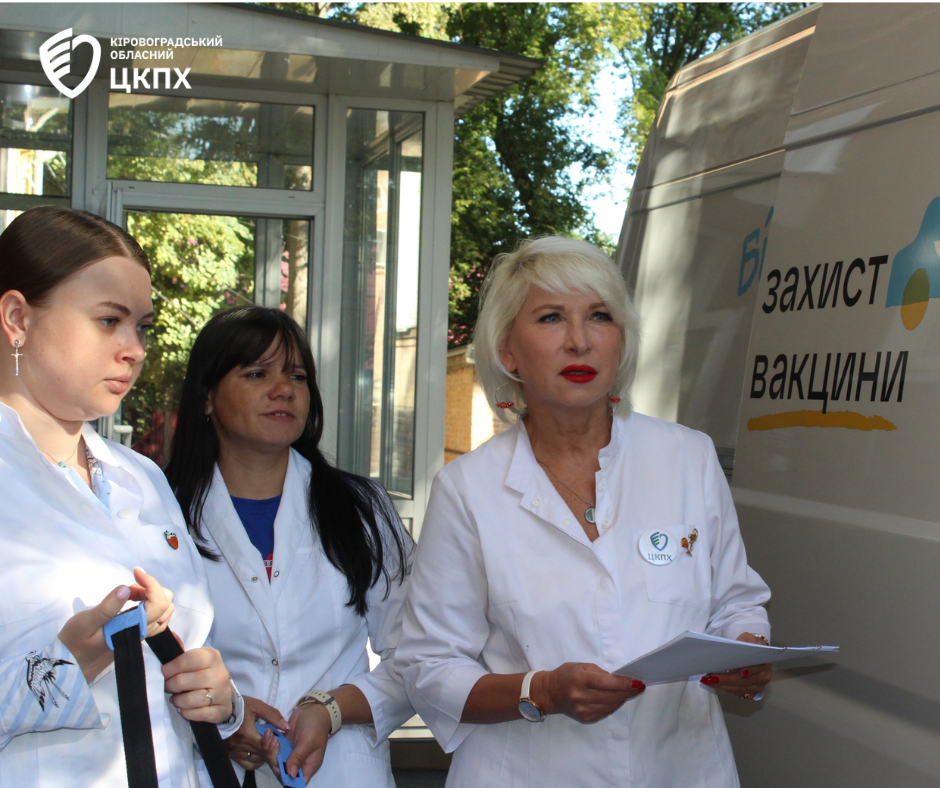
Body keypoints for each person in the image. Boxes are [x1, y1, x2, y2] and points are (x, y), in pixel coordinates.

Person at [395, 236, 772, 788]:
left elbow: (736, 603)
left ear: (622, 340)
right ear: (508, 351)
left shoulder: (687, 457)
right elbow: (428, 667)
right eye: (551, 318)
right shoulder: (468, 489)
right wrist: (541, 691)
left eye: (600, 316)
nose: (579, 341)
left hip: (682, 769)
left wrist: (746, 651)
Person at [0, 207, 242, 787]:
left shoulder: (142, 478)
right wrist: (69, 665)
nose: (134, 349)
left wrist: (219, 696)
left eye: (142, 326)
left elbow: (192, 652)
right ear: (17, 318)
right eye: (109, 321)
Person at [165, 305, 414, 787]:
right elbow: (140, 662)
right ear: (207, 396)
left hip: (340, 770)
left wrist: (332, 709)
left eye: (297, 376)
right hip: (206, 769)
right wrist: (223, 720)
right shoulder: (161, 511)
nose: (283, 389)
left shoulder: (361, 508)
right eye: (257, 373)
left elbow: (419, 655)